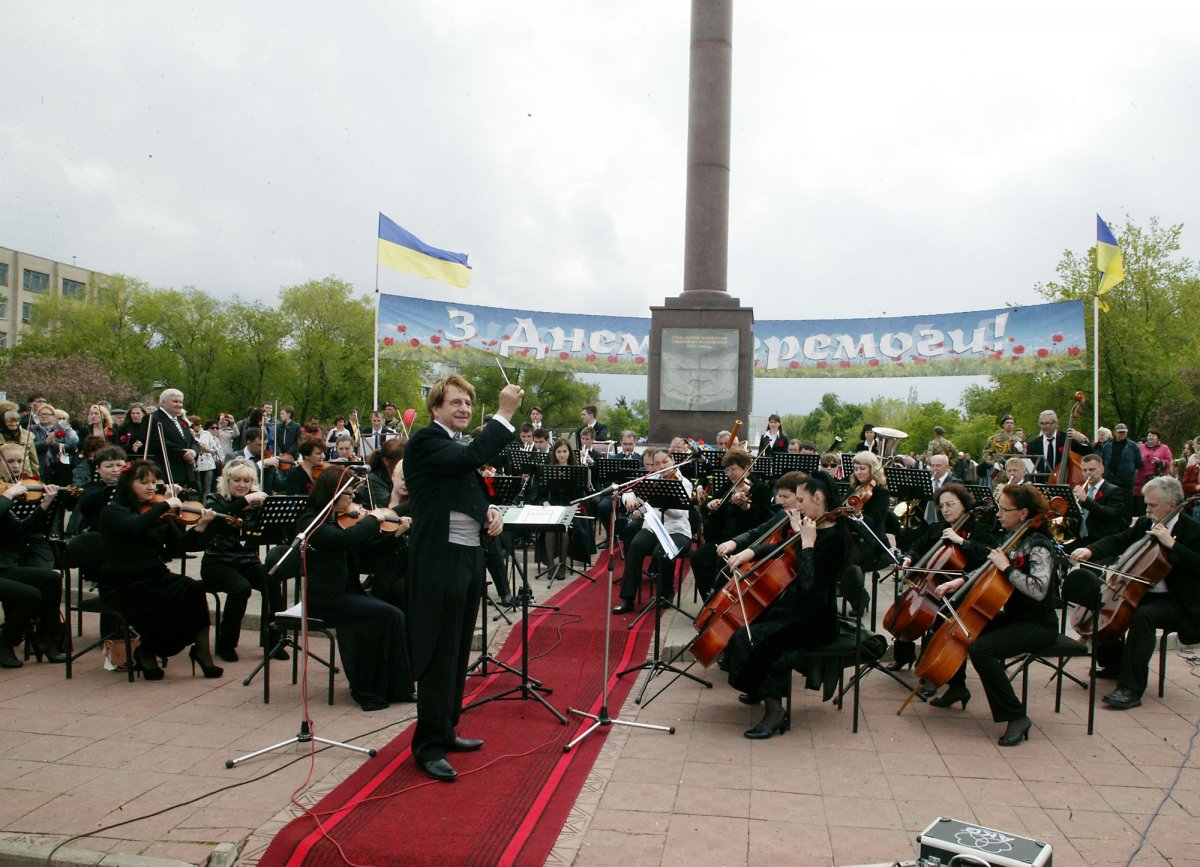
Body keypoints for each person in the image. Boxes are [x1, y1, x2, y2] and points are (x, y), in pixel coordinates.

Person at [404, 375, 523, 782]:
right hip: (440, 559)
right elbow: (468, 460)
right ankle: (428, 746)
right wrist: (505, 414)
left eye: (469, 404)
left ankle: (446, 728)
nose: (464, 409)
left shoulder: (454, 444)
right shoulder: (425, 441)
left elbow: (465, 488)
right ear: (435, 408)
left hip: (468, 557)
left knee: (456, 649)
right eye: (455, 402)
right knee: (439, 651)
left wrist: (490, 512)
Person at [716, 471, 847, 738]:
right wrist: (747, 554)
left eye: (801, 500)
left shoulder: (836, 537)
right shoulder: (811, 524)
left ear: (819, 498)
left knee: (756, 642)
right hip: (796, 610)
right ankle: (756, 687)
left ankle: (775, 711)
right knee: (745, 628)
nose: (797, 506)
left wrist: (807, 545)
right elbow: (781, 547)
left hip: (816, 620)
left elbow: (812, 590)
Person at [925, 484, 1057, 747]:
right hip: (1015, 617)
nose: (998, 514)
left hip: (1038, 624)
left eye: (1004, 509)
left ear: (1023, 513)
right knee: (956, 623)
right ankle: (956, 686)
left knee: (982, 649)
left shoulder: (1040, 546)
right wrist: (959, 582)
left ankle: (1016, 716)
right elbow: (987, 568)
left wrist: (1007, 568)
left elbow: (1039, 590)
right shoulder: (1011, 538)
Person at [1067, 476, 1200, 709]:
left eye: (1152, 505)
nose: (1147, 510)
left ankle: (1130, 689)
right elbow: (1121, 539)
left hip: (1178, 600)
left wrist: (1173, 545)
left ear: (1171, 505)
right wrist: (1090, 550)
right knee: (1104, 605)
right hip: (1142, 591)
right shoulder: (1146, 524)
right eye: (1146, 504)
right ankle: (1114, 663)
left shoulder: (1193, 529)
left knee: (1143, 617)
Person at [295, 467, 415, 711]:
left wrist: (394, 535)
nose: (353, 500)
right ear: (332, 494)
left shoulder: (342, 520)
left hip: (348, 593)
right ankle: (370, 688)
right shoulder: (311, 521)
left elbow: (367, 553)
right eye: (348, 494)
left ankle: (393, 687)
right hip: (327, 598)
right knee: (390, 614)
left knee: (390, 615)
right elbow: (342, 540)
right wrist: (373, 520)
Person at [98, 460, 223, 681]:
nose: (150, 487)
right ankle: (148, 649)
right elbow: (135, 527)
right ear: (128, 484)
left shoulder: (157, 511)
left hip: (154, 575)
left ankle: (201, 652)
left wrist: (201, 527)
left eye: (154, 482)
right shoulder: (113, 511)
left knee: (192, 589)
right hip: (121, 582)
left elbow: (180, 547)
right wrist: (163, 506)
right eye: (143, 482)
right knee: (165, 603)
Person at [889, 483, 998, 671]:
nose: (945, 510)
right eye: (942, 506)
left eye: (950, 504)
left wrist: (962, 541)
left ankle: (930, 666)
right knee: (906, 611)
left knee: (938, 621)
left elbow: (988, 553)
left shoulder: (978, 529)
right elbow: (918, 546)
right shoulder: (937, 528)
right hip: (933, 584)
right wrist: (908, 557)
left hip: (962, 586)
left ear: (963, 505)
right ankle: (904, 655)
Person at [202, 459, 287, 662]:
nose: (242, 485)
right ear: (227, 481)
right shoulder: (214, 499)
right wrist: (246, 502)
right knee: (241, 588)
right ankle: (226, 644)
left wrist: (270, 514)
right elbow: (223, 519)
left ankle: (274, 641)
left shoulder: (255, 503)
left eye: (247, 481)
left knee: (272, 582)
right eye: (237, 480)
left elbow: (270, 534)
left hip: (247, 560)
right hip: (217, 561)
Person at [0, 445, 67, 667]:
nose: (16, 466)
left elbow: (20, 530)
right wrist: (8, 495)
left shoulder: (8, 491)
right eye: (10, 461)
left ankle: (47, 639)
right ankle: (5, 644)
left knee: (52, 579)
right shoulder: (6, 494)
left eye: (20, 461)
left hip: (5, 564)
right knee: (29, 595)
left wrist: (44, 505)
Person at [613, 448, 694, 613]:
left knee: (662, 552)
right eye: (657, 463)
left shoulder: (684, 483)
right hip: (653, 528)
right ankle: (627, 599)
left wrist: (661, 501)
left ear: (673, 462)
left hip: (677, 531)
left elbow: (679, 514)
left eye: (665, 462)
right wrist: (629, 499)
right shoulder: (652, 478)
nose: (661, 466)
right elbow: (628, 491)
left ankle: (666, 594)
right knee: (635, 546)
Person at [690, 450, 774, 600]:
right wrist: (710, 505)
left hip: (744, 540)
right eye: (727, 470)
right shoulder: (727, 486)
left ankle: (721, 601)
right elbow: (704, 508)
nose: (730, 473)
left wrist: (745, 507)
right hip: (721, 538)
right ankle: (709, 602)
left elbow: (762, 517)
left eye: (734, 469)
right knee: (698, 558)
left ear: (746, 468)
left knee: (723, 566)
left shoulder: (760, 488)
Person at [1072, 453, 1129, 547]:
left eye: (1092, 469)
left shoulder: (1114, 490)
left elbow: (1110, 515)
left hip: (1101, 541)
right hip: (1081, 538)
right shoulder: (1081, 489)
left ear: (1102, 469)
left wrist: (1086, 500)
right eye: (1084, 470)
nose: (1088, 473)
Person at [145, 389, 197, 487]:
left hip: (186, 474)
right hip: (166, 473)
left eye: (180, 402)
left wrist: (194, 452)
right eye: (175, 401)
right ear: (163, 402)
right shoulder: (152, 418)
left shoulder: (182, 422)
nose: (179, 405)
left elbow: (193, 442)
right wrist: (184, 454)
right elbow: (157, 442)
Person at [1026, 409, 1090, 480]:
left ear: (1055, 423)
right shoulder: (1033, 444)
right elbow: (1029, 469)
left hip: (1064, 481)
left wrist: (1083, 439)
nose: (1044, 426)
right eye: (1042, 424)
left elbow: (1088, 453)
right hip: (1041, 485)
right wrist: (1028, 481)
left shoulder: (1067, 439)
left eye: (1047, 423)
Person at [1134, 428, 1173, 517]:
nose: (1151, 437)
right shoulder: (1140, 447)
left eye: (1153, 435)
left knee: (1155, 503)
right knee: (1141, 507)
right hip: (1140, 481)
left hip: (1157, 480)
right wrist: (1140, 460)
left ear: (1158, 438)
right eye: (1149, 435)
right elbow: (1134, 460)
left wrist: (1160, 461)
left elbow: (1169, 461)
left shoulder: (1164, 448)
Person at [1, 408, 40, 477]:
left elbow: (34, 461)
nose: (13, 424)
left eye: (16, 421)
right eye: (10, 421)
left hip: (25, 475)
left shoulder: (27, 435)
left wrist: (36, 477)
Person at [982, 415, 1021, 483]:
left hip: (1014, 473)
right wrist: (993, 463)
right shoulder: (994, 439)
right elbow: (986, 453)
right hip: (999, 473)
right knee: (998, 492)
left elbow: (1024, 457)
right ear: (1003, 425)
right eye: (1007, 423)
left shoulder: (1018, 440)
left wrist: (1021, 451)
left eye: (1011, 423)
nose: (1009, 425)